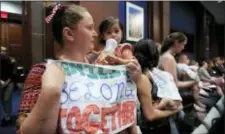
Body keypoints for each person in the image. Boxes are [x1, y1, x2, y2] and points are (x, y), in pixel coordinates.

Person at [16, 4, 141, 134]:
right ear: (69, 34)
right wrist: (51, 91)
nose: (95, 33)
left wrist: (132, 80)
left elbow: (119, 117)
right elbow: (22, 129)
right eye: (90, 28)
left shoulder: (102, 69)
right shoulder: (42, 72)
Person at [134, 39, 183, 134]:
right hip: (153, 129)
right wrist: (173, 110)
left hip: (163, 125)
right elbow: (149, 115)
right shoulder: (143, 78)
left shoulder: (154, 74)